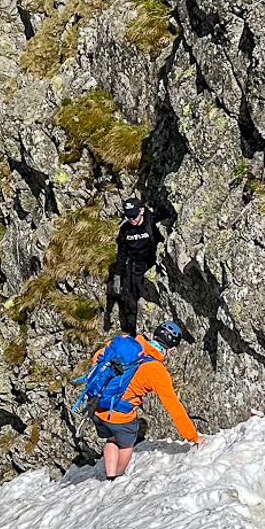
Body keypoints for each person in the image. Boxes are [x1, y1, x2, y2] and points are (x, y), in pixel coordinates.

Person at [85, 321, 200, 480]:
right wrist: (193, 436)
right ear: (171, 350)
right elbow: (173, 406)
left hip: (97, 406)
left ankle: (109, 475)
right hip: (121, 416)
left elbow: (97, 359)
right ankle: (115, 478)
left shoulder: (126, 344)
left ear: (152, 336)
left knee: (111, 439)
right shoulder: (157, 371)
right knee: (125, 445)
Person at [109, 195, 160, 335]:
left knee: (150, 299)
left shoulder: (152, 222)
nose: (132, 220)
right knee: (131, 302)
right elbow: (121, 255)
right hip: (134, 268)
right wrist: (118, 276)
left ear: (141, 211)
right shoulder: (125, 230)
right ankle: (132, 333)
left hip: (152, 266)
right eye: (129, 217)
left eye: (134, 216)